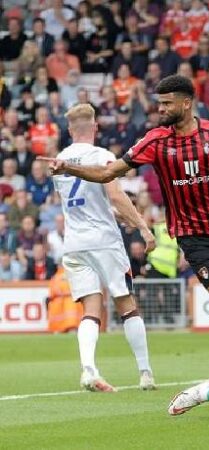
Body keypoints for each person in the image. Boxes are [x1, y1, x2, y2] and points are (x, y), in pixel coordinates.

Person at [40, 76, 209, 382]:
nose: (160, 108)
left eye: (166, 103)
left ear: (186, 103)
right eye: (159, 103)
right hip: (192, 237)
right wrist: (68, 168)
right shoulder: (155, 140)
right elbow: (109, 173)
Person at [40, 103, 156, 392]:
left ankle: (89, 370)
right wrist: (142, 226)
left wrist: (118, 214)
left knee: (91, 310)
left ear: (69, 130)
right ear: (95, 127)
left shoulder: (60, 160)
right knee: (127, 305)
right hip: (104, 240)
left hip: (75, 243)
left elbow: (81, 204)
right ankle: (145, 373)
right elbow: (114, 196)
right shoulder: (102, 156)